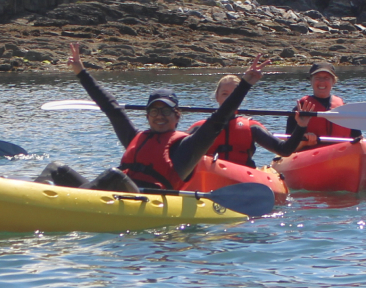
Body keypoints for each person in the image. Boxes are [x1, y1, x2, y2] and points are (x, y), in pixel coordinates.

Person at [35, 43, 267, 192]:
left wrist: (245, 84)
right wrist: (80, 72)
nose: (159, 116)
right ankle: (30, 194)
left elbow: (218, 119)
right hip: (110, 194)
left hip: (146, 200)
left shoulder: (187, 148)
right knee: (56, 168)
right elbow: (110, 107)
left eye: (166, 111)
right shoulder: (136, 137)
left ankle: (64, 201)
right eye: (154, 111)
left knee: (113, 176)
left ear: (177, 116)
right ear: (147, 116)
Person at [285, 62, 366, 153]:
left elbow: (358, 142)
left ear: (333, 81)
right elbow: (287, 148)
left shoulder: (345, 110)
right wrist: (304, 141)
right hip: (309, 156)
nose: (322, 81)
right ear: (311, 81)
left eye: (326, 78)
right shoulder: (300, 108)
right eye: (318, 77)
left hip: (340, 156)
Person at [187, 74, 291, 167]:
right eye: (224, 94)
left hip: (242, 180)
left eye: (234, 95)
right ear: (216, 97)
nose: (229, 99)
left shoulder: (251, 127)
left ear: (240, 98)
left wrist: (301, 126)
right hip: (210, 176)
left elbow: (284, 150)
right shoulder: (199, 128)